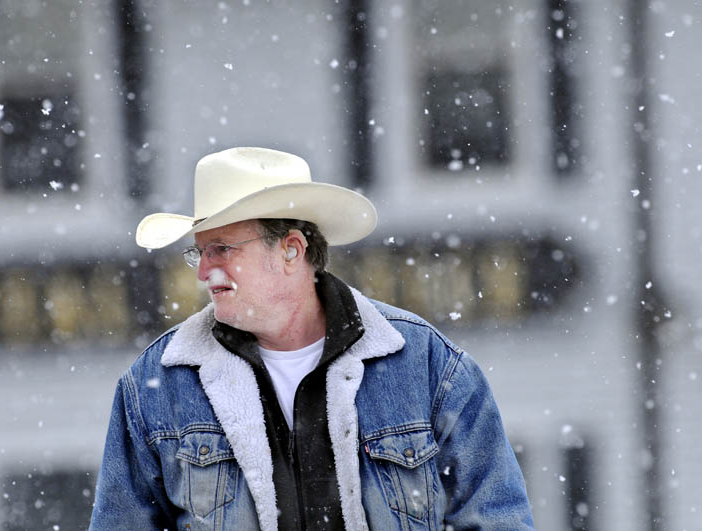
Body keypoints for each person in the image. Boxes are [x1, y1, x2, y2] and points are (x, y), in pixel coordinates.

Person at [90, 147, 534, 530]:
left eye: (222, 249)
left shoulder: (427, 364)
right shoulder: (156, 384)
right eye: (199, 252)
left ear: (290, 250)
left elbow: (497, 519)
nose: (204, 271)